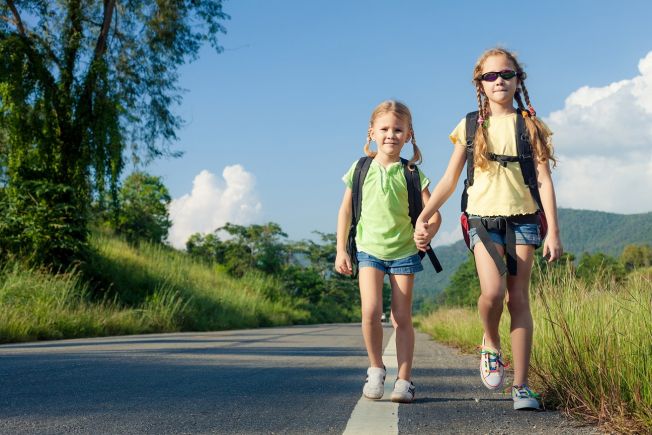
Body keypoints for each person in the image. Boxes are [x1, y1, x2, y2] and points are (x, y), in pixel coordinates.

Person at [414, 47, 563, 410]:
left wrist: (554, 231)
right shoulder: (469, 126)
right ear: (479, 84)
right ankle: (491, 343)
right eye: (490, 76)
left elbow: (543, 179)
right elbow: (450, 180)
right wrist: (425, 214)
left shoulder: (530, 125)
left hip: (525, 218)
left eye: (506, 74)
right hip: (481, 218)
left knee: (519, 299)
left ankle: (522, 387)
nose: (499, 81)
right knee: (493, 294)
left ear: (518, 79)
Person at [335, 100, 441, 403]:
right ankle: (376, 368)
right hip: (368, 249)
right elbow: (345, 211)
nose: (390, 135)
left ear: (408, 135)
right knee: (369, 311)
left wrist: (426, 233)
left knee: (401, 317)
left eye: (398, 129)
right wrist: (341, 249)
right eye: (384, 129)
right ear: (372, 132)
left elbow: (433, 215)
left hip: (404, 252)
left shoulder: (411, 173)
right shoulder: (360, 168)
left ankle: (404, 381)